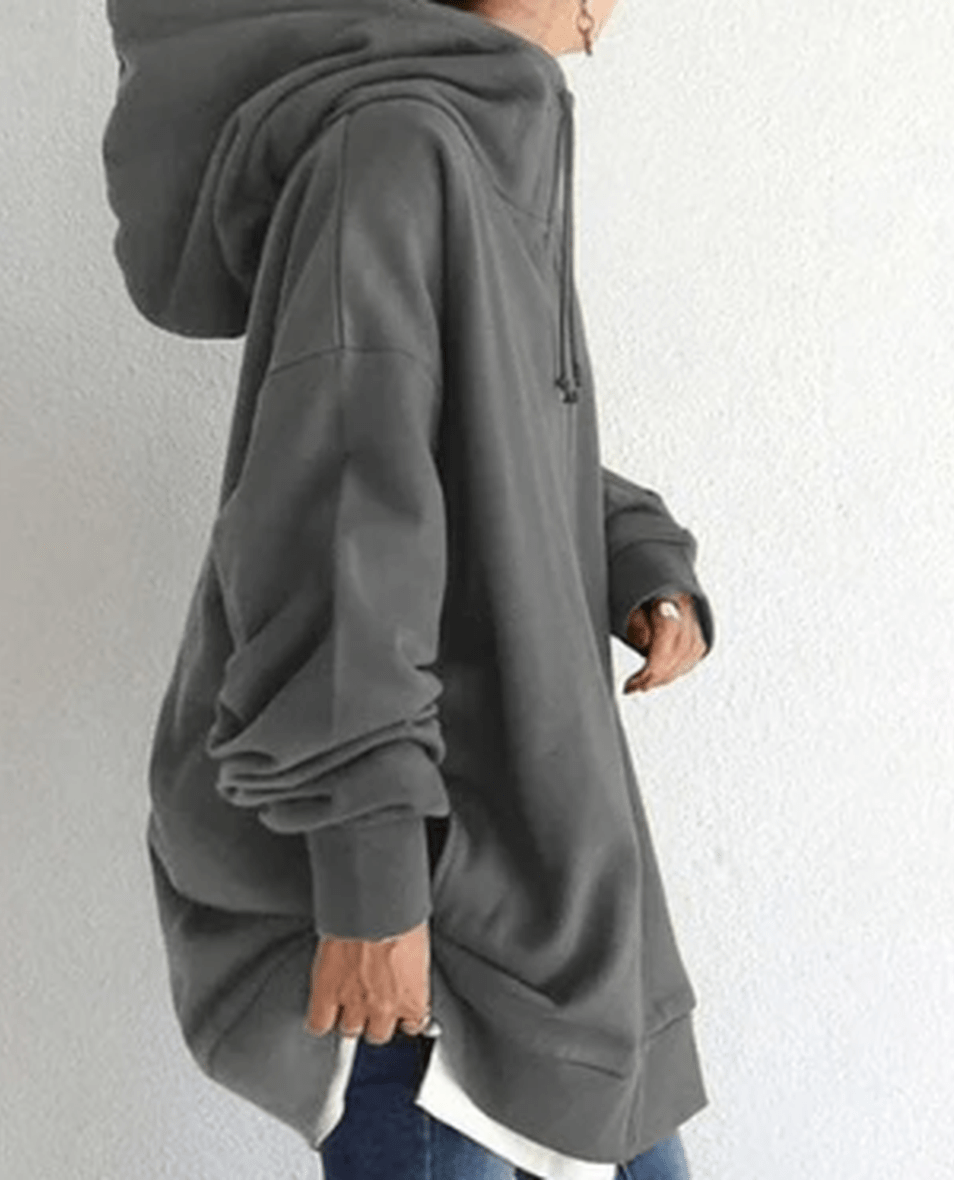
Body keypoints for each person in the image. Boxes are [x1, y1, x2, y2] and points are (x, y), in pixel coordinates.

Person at [101, 0, 716, 1177]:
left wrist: (636, 553)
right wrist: (371, 881)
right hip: (422, 911)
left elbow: (497, 440)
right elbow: (331, 526)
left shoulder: (487, 138)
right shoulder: (392, 151)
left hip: (537, 878)